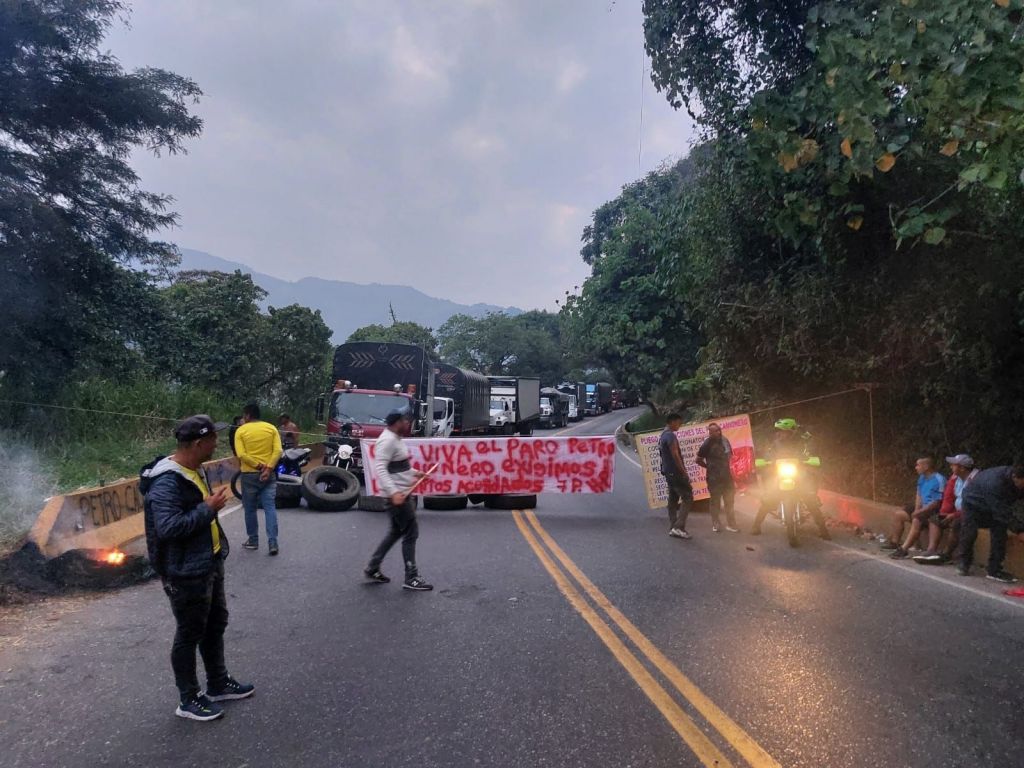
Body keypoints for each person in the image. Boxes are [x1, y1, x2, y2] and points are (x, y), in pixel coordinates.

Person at [140, 415, 254, 722]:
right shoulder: (167, 481)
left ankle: (217, 683)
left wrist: (205, 510)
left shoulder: (194, 469)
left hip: (208, 561)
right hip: (185, 571)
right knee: (190, 632)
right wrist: (208, 509)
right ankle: (188, 699)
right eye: (213, 439)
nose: (217, 443)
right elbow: (168, 529)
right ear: (198, 443)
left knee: (215, 623)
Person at [365, 409, 433, 590]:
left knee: (395, 532)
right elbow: (380, 468)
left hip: (402, 493)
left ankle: (372, 567)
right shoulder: (387, 441)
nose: (408, 423)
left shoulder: (396, 439)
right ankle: (411, 577)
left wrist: (415, 473)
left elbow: (398, 467)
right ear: (396, 422)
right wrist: (394, 492)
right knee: (411, 533)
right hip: (398, 497)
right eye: (405, 420)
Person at [751, 418, 830, 539]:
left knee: (810, 499)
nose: (780, 433)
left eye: (784, 431)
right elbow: (768, 456)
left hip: (799, 474)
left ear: (792, 431)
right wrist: (766, 461)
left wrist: (809, 459)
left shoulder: (802, 442)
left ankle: (823, 529)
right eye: (779, 431)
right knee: (769, 498)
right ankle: (756, 525)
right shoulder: (774, 444)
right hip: (779, 474)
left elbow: (809, 452)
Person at [955, 464, 1024, 583]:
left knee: (1000, 534)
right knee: (969, 532)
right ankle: (964, 563)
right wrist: (1019, 530)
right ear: (1015, 478)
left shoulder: (1016, 481)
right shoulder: (995, 483)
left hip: (995, 504)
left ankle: (994, 569)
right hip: (973, 503)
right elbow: (1001, 511)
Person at [235, 402, 283, 556]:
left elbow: (241, 454)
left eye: (244, 415)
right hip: (269, 475)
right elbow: (278, 450)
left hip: (249, 475)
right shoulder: (271, 428)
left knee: (250, 509)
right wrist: (268, 468)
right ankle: (273, 542)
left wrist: (257, 466)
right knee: (270, 507)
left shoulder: (241, 430)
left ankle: (253, 540)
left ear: (248, 415)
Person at [914, 454, 977, 565]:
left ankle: (946, 554)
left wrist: (954, 515)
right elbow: (948, 497)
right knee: (935, 518)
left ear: (962, 468)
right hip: (956, 511)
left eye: (954, 465)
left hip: (970, 513)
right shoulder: (955, 478)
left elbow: (973, 505)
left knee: (957, 524)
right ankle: (931, 550)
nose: (951, 467)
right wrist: (945, 513)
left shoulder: (975, 480)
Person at [883, 457, 944, 558]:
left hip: (933, 509)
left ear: (926, 466)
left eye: (918, 465)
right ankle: (895, 542)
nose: (916, 468)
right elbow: (919, 495)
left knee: (916, 520)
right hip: (923, 507)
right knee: (898, 515)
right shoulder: (922, 477)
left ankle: (904, 549)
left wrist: (919, 512)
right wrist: (917, 509)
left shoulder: (939, 479)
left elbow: (937, 503)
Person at [696, 422, 739, 533]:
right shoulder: (706, 444)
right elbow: (698, 460)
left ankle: (731, 524)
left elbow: (730, 457)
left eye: (717, 430)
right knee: (715, 502)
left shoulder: (725, 441)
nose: (715, 432)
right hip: (714, 479)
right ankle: (716, 523)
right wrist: (709, 467)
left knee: (729, 501)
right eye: (712, 431)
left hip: (727, 477)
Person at [659, 413, 694, 539]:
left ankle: (673, 526)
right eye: (679, 423)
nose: (680, 425)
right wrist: (684, 472)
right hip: (675, 472)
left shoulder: (662, 435)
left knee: (673, 499)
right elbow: (675, 455)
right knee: (688, 496)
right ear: (672, 422)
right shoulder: (670, 436)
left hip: (668, 472)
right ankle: (678, 527)